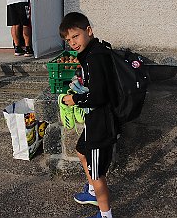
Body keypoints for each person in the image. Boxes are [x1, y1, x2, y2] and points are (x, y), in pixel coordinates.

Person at [59, 12, 117, 218]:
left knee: (96, 172)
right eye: (68, 40)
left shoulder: (95, 57)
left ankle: (105, 214)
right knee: (81, 150)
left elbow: (99, 96)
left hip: (101, 122)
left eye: (76, 36)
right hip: (96, 119)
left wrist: (74, 100)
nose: (72, 43)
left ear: (89, 31)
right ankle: (93, 192)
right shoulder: (93, 53)